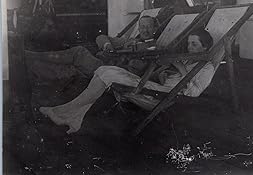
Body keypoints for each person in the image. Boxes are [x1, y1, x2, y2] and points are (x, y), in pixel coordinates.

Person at [39, 29, 225, 134]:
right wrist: (163, 72)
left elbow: (194, 93)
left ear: (206, 47)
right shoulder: (185, 60)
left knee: (108, 75)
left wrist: (179, 68)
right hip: (156, 87)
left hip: (164, 97)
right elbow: (163, 76)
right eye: (189, 43)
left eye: (194, 44)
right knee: (103, 69)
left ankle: (63, 112)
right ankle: (73, 116)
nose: (189, 47)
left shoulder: (206, 67)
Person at [25, 15, 157, 79]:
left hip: (111, 70)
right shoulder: (130, 40)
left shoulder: (154, 47)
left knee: (79, 52)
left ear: (155, 29)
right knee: (69, 68)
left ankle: (32, 56)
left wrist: (124, 56)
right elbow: (101, 38)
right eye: (142, 26)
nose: (145, 30)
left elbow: (138, 67)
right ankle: (30, 62)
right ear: (138, 28)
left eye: (149, 27)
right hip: (103, 64)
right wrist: (108, 46)